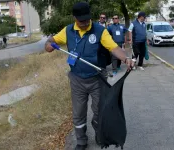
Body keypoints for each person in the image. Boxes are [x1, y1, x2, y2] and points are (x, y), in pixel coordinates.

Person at [44, 2, 134, 150]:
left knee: (100, 111)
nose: (85, 23)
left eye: (87, 19)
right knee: (78, 112)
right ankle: (81, 140)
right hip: (77, 79)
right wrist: (48, 45)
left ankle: (100, 134)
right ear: (75, 18)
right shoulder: (68, 31)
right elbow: (50, 41)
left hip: (97, 78)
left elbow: (114, 47)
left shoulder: (99, 30)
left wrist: (126, 58)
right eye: (82, 21)